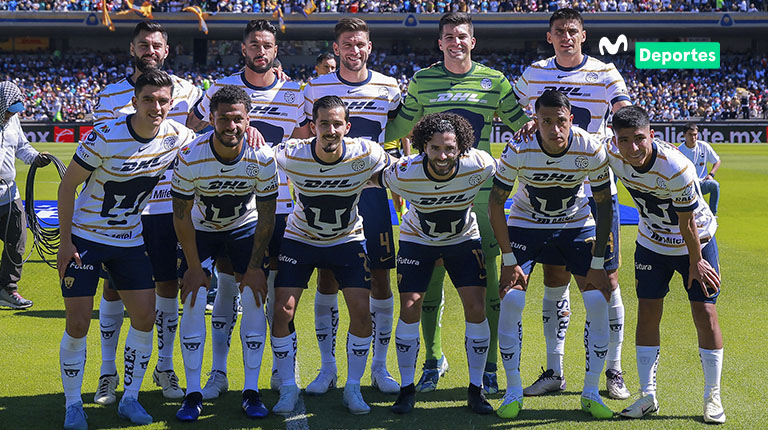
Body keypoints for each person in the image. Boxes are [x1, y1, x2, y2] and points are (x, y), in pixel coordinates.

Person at [385, 12, 530, 394]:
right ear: (440, 42)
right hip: (429, 195)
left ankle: (489, 367)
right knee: (429, 285)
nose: (455, 41)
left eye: (462, 36)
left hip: (480, 197)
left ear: (472, 41)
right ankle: (433, 360)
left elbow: (524, 126)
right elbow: (394, 127)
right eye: (449, 36)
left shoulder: (494, 81)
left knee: (488, 288)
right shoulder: (422, 80)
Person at [57, 70, 196, 429]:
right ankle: (74, 404)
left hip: (130, 240)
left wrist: (253, 132)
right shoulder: (104, 135)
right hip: (86, 239)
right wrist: (66, 241)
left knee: (145, 317)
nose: (157, 106)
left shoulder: (176, 135)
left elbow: (209, 143)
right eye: (149, 99)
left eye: (164, 100)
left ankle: (130, 399)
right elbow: (67, 186)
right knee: (76, 323)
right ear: (134, 102)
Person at [512, 7, 633, 400]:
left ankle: (613, 369)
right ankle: (555, 369)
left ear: (584, 35)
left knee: (606, 281)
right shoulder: (533, 73)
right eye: (559, 31)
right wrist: (527, 123)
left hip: (594, 190)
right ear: (550, 37)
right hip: (547, 192)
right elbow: (515, 114)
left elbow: (623, 111)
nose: (566, 36)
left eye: (572, 31)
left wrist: (617, 135)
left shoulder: (605, 72)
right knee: (554, 280)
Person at [188, 19, 310, 396]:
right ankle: (220, 373)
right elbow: (194, 127)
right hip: (233, 208)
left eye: (267, 45)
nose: (260, 50)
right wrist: (238, 130)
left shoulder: (295, 93)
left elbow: (308, 138)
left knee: (274, 293)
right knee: (228, 286)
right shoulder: (224, 90)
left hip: (284, 206)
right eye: (254, 44)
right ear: (244, 49)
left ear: (276, 51)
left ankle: (278, 369)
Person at [91, 20, 203, 405]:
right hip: (122, 209)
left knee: (167, 285)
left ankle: (165, 365)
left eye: (156, 44)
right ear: (132, 48)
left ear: (166, 50)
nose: (150, 49)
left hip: (166, 207)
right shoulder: (109, 96)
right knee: (113, 287)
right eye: (143, 44)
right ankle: (107, 371)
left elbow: (200, 134)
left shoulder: (189, 91)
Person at [488, 90, 614, 420]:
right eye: (546, 121)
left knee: (600, 302)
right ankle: (513, 391)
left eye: (561, 121)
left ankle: (590, 392)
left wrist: (599, 263)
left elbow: (603, 204)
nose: (555, 129)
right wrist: (508, 259)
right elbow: (495, 202)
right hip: (527, 224)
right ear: (535, 120)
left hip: (575, 224)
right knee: (512, 301)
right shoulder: (520, 145)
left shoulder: (590, 147)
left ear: (571, 119)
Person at [270, 95, 392, 415]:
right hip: (301, 238)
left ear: (347, 127)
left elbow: (400, 170)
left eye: (337, 124)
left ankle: (353, 387)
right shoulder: (292, 153)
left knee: (361, 313)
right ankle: (288, 386)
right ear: (313, 126)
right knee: (282, 311)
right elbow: (253, 158)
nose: (331, 130)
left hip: (347, 239)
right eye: (324, 123)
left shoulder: (366, 152)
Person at [302, 17, 402, 396]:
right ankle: (328, 368)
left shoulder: (390, 87)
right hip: (325, 192)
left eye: (360, 44)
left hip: (372, 193)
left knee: (380, 278)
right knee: (327, 277)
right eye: (347, 44)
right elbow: (300, 133)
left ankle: (379, 366)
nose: (354, 50)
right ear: (337, 48)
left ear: (369, 47)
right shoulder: (316, 88)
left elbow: (400, 132)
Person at [608, 106, 725, 424]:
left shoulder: (676, 166)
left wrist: (696, 262)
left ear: (652, 136)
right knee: (647, 313)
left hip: (695, 242)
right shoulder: (612, 150)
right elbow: (576, 140)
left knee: (705, 313)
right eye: (624, 140)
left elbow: (687, 225)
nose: (632, 148)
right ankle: (648, 396)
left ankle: (713, 396)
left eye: (639, 139)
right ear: (615, 139)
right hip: (651, 244)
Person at [172, 85, 277, 421]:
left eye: (238, 119)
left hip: (243, 228)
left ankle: (251, 390)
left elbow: (267, 216)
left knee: (254, 295)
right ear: (211, 120)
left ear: (248, 120)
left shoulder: (262, 157)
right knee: (192, 294)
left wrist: (257, 266)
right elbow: (181, 215)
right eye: (223, 119)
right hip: (202, 229)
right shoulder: (191, 155)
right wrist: (192, 266)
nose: (231, 126)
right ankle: (192, 393)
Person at [380, 112, 497, 415]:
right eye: (435, 148)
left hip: (462, 239)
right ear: (423, 147)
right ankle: (406, 390)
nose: (443, 155)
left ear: (461, 148)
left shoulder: (480, 164)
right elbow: (383, 178)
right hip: (418, 240)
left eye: (449, 148)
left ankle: (475, 389)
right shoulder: (403, 172)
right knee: (410, 307)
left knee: (476, 306)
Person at [0, 81, 50, 310]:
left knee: (18, 240)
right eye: (9, 110)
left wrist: (36, 157)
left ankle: (7, 289)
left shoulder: (13, 121)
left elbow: (22, 146)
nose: (11, 115)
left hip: (9, 193)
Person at [678, 123, 721, 215]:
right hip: (687, 185)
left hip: (702, 182)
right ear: (684, 135)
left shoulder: (703, 146)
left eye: (695, 134)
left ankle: (713, 214)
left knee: (715, 185)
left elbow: (717, 161)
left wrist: (711, 174)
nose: (693, 137)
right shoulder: (679, 151)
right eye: (690, 134)